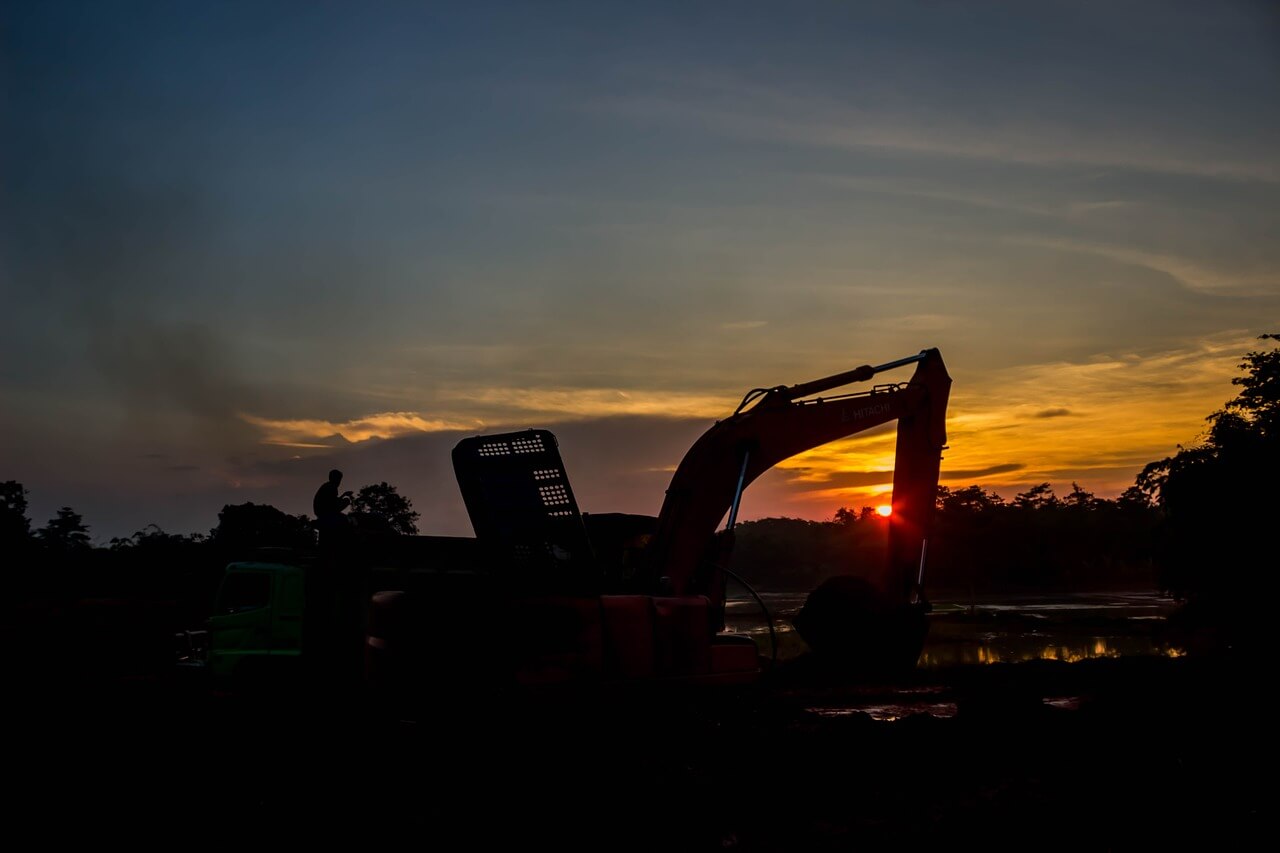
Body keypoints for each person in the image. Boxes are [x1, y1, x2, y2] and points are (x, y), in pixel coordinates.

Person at [313, 468, 353, 547]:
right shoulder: (331, 487)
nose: (339, 482)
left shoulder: (327, 486)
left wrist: (344, 494)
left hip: (322, 510)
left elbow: (333, 500)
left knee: (345, 500)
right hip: (324, 511)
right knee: (346, 501)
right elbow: (333, 502)